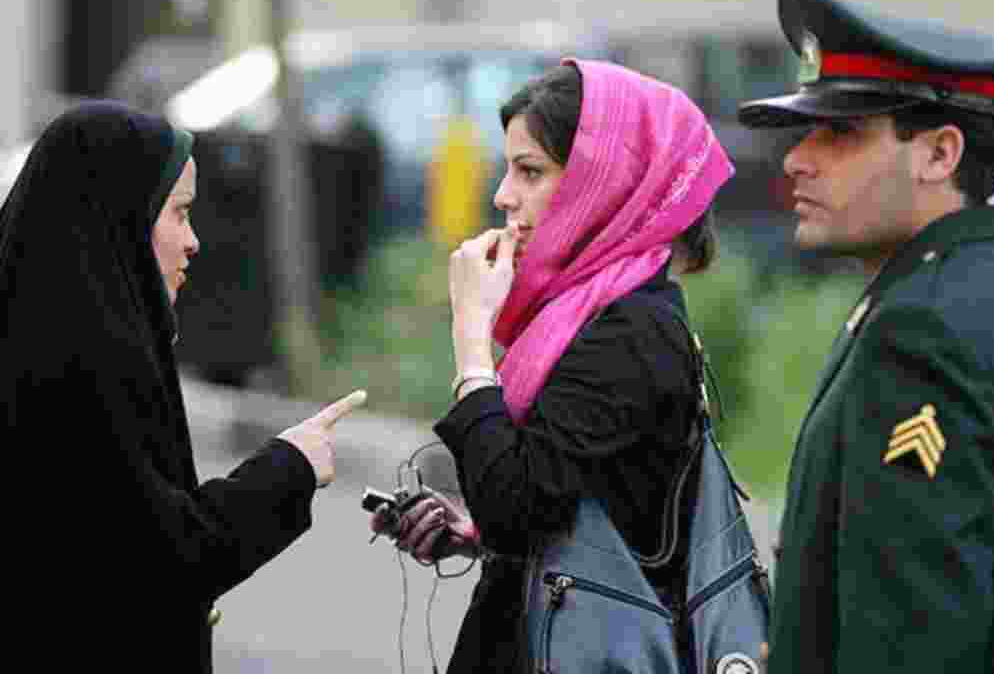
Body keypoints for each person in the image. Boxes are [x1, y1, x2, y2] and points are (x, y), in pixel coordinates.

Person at [370, 58, 735, 671]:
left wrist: (471, 339)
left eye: (530, 171)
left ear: (606, 183)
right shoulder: (583, 315)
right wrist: (477, 533)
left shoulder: (631, 332)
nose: (502, 195)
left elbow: (515, 508)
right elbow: (560, 503)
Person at [0, 101, 366, 672]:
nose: (194, 240)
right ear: (122, 216)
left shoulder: (41, 328)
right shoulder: (89, 359)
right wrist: (289, 468)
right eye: (179, 214)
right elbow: (165, 555)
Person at [737, 0, 994, 672]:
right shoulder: (993, 293)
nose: (796, 158)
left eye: (839, 132)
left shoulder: (918, 333)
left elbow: (910, 645)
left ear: (939, 155)